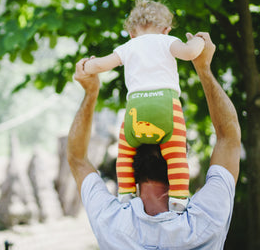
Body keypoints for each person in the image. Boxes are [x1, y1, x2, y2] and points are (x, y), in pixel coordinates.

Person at [67, 32, 241, 249]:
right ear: (178, 159)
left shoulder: (110, 222)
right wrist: (203, 68)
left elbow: (77, 158)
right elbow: (229, 137)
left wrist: (90, 92)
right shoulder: (207, 219)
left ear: (128, 165)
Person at [83, 0, 205, 211]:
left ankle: (126, 193)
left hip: (135, 109)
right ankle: (178, 198)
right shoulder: (167, 41)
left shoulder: (128, 46)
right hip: (166, 106)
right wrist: (198, 41)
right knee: (176, 154)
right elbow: (190, 53)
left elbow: (101, 65)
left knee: (125, 152)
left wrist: (88, 64)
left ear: (132, 33)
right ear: (166, 30)